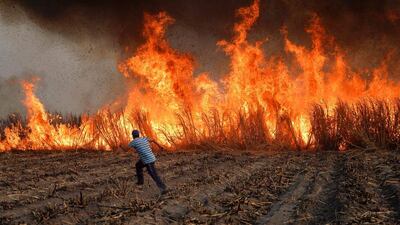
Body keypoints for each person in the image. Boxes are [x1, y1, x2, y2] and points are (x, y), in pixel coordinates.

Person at [128, 129, 168, 194]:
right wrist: (160, 146)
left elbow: (126, 149)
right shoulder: (144, 138)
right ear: (138, 134)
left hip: (148, 161)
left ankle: (163, 188)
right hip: (150, 158)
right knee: (138, 165)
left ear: (133, 136)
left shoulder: (133, 142)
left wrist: (120, 146)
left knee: (153, 174)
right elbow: (153, 140)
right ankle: (140, 182)